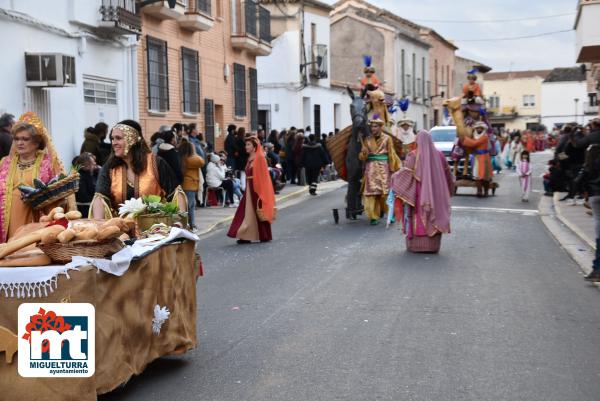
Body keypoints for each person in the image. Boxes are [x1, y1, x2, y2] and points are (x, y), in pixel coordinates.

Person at [0, 112, 75, 242]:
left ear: (36, 142)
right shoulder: (5, 163)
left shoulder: (48, 163)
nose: (20, 143)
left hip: (36, 218)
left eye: (25, 139)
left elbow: (60, 191)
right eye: (17, 139)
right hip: (8, 219)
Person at [91, 120, 186, 219]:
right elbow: (100, 198)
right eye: (112, 138)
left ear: (132, 139)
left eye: (118, 138)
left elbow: (175, 193)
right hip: (121, 231)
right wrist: (99, 226)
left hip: (156, 230)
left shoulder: (155, 163)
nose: (114, 143)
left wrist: (180, 223)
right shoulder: (109, 168)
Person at [391, 130, 453, 253]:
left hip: (418, 195)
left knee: (419, 215)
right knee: (436, 215)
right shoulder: (440, 155)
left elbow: (405, 175)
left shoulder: (413, 155)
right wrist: (449, 190)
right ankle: (432, 245)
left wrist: (393, 177)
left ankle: (417, 245)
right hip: (437, 195)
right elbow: (448, 176)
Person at [567, 118, 600, 281]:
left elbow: (576, 144)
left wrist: (574, 133)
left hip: (596, 192)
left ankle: (597, 269)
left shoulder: (592, 146)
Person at [227, 136, 275, 243]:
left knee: (255, 212)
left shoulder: (260, 158)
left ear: (254, 147)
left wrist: (262, 192)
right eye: (246, 144)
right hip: (250, 188)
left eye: (248, 145)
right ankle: (246, 235)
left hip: (256, 189)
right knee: (245, 212)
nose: (246, 147)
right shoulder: (250, 158)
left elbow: (264, 177)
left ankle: (263, 235)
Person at [359, 115, 401, 225]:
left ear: (380, 127)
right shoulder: (367, 140)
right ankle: (373, 216)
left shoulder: (387, 139)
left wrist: (393, 168)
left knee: (386, 192)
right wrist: (363, 153)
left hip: (384, 168)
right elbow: (363, 158)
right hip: (371, 169)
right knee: (371, 193)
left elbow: (391, 154)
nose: (373, 128)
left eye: (376, 126)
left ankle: (390, 214)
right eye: (372, 126)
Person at [461, 121, 493, 197]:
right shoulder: (474, 136)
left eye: (480, 128)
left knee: (485, 175)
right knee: (477, 175)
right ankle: (479, 191)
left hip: (484, 158)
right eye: (477, 128)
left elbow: (474, 144)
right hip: (477, 157)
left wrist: (465, 139)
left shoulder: (484, 137)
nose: (479, 129)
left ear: (483, 129)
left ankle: (486, 192)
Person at [179, 138, 205, 230]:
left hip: (184, 184)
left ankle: (188, 224)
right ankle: (191, 225)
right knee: (190, 206)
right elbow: (202, 161)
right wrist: (195, 151)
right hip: (191, 184)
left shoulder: (182, 158)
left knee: (186, 205)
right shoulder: (192, 159)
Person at [72, 152, 99, 217]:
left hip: (87, 207)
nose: (95, 164)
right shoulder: (81, 177)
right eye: (92, 163)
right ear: (86, 166)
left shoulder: (88, 174)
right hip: (85, 210)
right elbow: (84, 197)